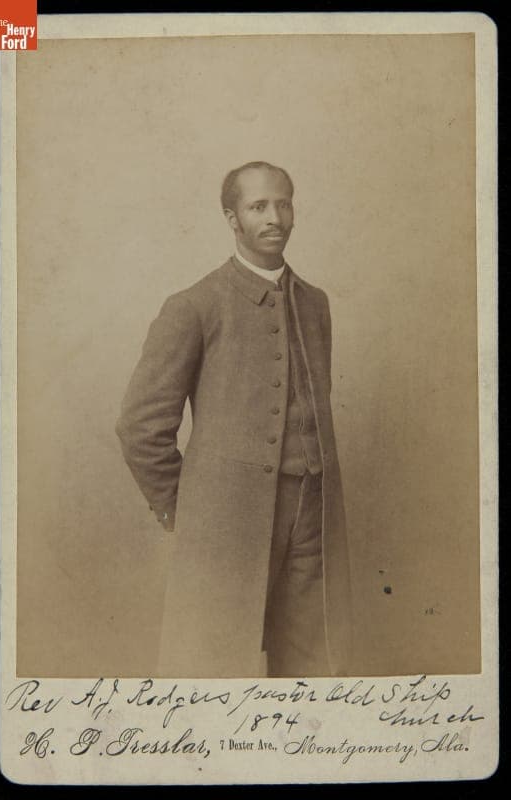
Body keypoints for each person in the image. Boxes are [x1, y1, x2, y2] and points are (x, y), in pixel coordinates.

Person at [116, 161, 352, 678]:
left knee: (315, 668)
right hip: (227, 527)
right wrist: (189, 512)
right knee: (214, 673)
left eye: (283, 203)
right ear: (232, 218)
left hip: (314, 516)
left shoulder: (315, 304)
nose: (275, 217)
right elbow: (139, 427)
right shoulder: (194, 306)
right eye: (258, 206)